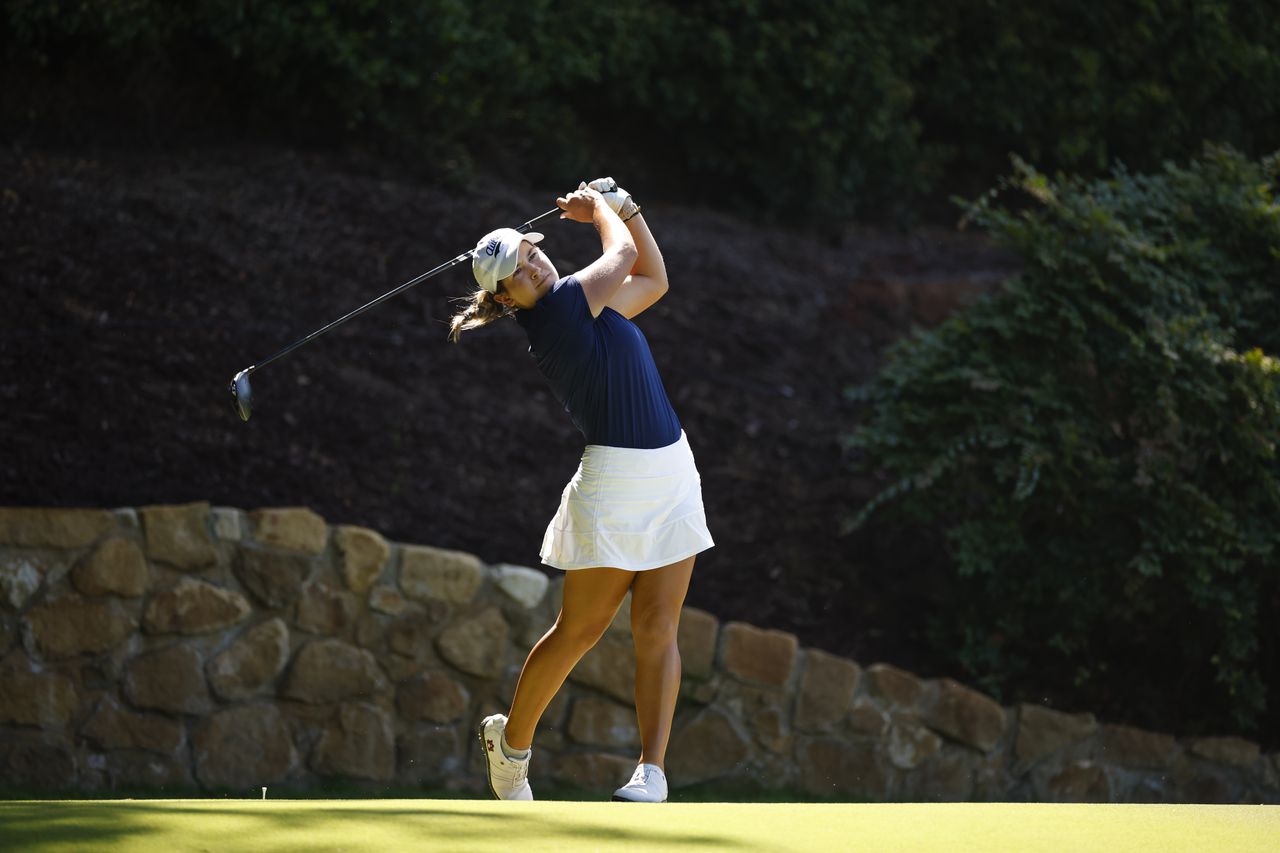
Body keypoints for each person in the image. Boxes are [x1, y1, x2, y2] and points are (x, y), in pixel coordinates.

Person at [450, 178, 714, 803]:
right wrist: (602, 211)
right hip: (615, 484)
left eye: (531, 253)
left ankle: (651, 772)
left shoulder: (587, 308)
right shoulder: (562, 309)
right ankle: (510, 747)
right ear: (507, 298)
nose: (533, 266)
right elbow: (621, 257)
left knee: (657, 628)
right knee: (581, 630)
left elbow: (653, 278)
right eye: (516, 271)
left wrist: (629, 210)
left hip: (674, 471)